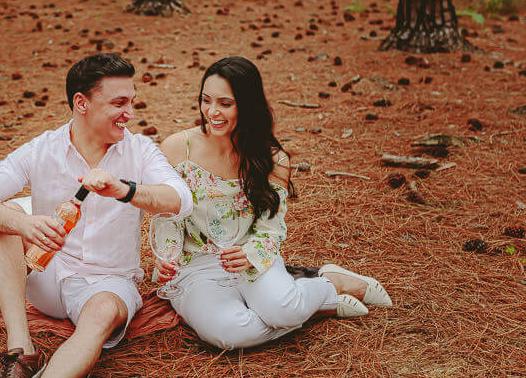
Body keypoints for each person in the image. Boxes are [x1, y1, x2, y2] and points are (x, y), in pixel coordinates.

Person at [0, 53, 192, 378]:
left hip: (108, 283)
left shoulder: (140, 151)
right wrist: (24, 224)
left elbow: (180, 198)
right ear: (82, 103)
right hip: (50, 274)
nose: (129, 113)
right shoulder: (43, 149)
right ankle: (22, 352)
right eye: (119, 103)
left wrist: (125, 189)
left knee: (100, 313)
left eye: (131, 102)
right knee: (5, 217)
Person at [156, 56, 392, 350]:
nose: (212, 112)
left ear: (248, 104)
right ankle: (323, 304)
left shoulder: (272, 159)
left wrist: (250, 255)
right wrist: (167, 256)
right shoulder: (178, 148)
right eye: (206, 100)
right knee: (231, 335)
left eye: (225, 104)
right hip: (196, 266)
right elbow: (167, 215)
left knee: (286, 311)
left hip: (250, 258)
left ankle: (330, 283)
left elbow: (271, 229)